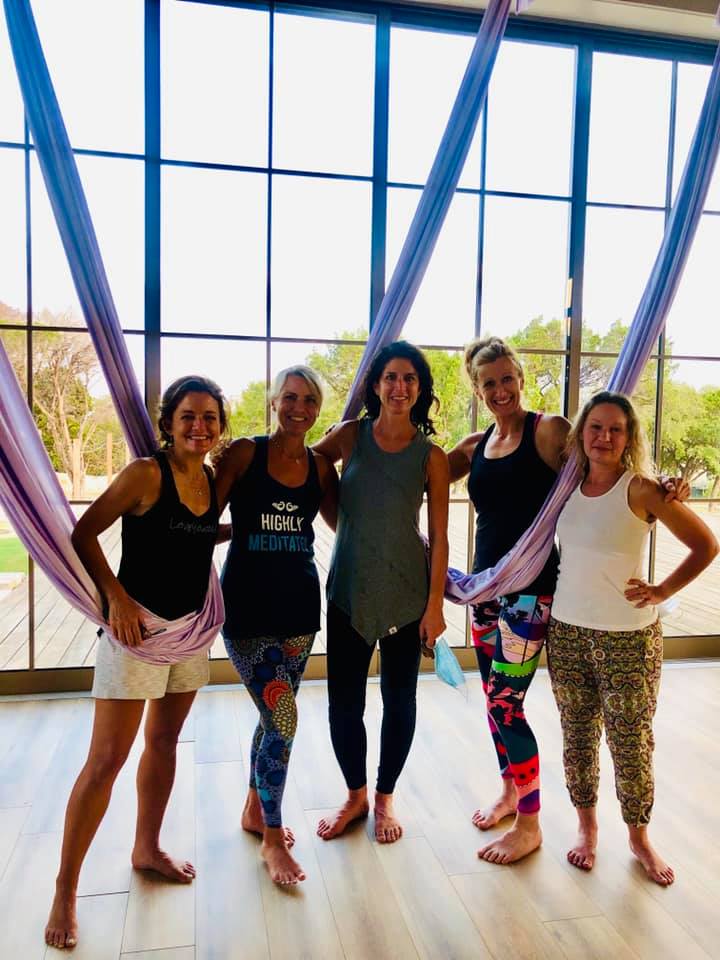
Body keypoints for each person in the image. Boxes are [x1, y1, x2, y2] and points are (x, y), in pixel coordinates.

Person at [447, 336, 688, 866]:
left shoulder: (549, 430)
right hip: (486, 590)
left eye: (508, 378)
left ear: (521, 378)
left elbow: (606, 461)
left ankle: (530, 824)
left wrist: (662, 486)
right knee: (493, 699)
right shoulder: (475, 444)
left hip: (532, 594)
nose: (501, 389)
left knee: (505, 704)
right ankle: (511, 792)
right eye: (489, 383)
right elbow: (421, 473)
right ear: (477, 389)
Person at [45, 375, 227, 950]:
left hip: (191, 632)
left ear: (220, 427)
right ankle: (65, 890)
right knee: (104, 762)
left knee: (166, 743)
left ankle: (146, 847)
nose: (199, 426)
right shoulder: (146, 474)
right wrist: (116, 597)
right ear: (168, 423)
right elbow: (84, 532)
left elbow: (192, 537)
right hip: (134, 632)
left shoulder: (212, 478)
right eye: (188, 416)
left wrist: (234, 532)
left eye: (210, 418)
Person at [546, 390, 718, 886]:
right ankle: (586, 829)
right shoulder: (567, 486)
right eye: (595, 427)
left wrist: (663, 589)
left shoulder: (642, 489)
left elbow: (706, 544)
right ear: (581, 433)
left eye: (614, 429)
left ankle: (639, 838)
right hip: (567, 630)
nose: (603, 437)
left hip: (628, 639)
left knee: (630, 742)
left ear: (628, 438)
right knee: (577, 736)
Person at [313, 340, 450, 844]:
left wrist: (435, 608)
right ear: (375, 385)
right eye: (390, 377)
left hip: (407, 594)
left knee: (400, 700)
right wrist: (338, 520)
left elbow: (440, 538)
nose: (399, 387)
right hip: (348, 587)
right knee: (343, 703)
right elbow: (305, 468)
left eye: (410, 379)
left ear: (421, 389)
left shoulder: (430, 457)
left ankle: (386, 797)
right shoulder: (348, 437)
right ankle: (355, 794)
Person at [214, 366, 337, 886]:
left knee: (272, 718)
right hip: (245, 610)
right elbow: (202, 513)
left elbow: (344, 526)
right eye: (289, 397)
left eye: (309, 399)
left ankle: (252, 809)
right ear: (274, 402)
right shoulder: (245, 452)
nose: (298, 407)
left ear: (317, 409)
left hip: (298, 609)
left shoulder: (320, 468)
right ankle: (271, 835)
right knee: (284, 717)